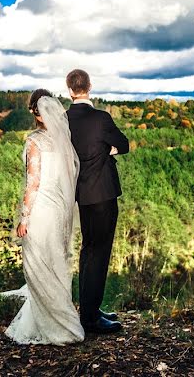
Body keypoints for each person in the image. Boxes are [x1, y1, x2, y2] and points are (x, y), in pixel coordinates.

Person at [2, 89, 84, 345]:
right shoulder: (63, 142)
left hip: (41, 211)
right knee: (56, 263)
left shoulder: (34, 141)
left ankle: (58, 327)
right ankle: (55, 320)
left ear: (34, 112)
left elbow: (33, 182)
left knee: (36, 266)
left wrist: (24, 218)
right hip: (60, 210)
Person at [65, 69, 129, 335]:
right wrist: (107, 148)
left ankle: (89, 309)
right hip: (103, 194)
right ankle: (90, 319)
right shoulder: (101, 118)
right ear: (89, 87)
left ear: (69, 90)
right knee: (99, 253)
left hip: (80, 196)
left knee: (88, 251)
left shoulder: (64, 119)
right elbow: (123, 144)